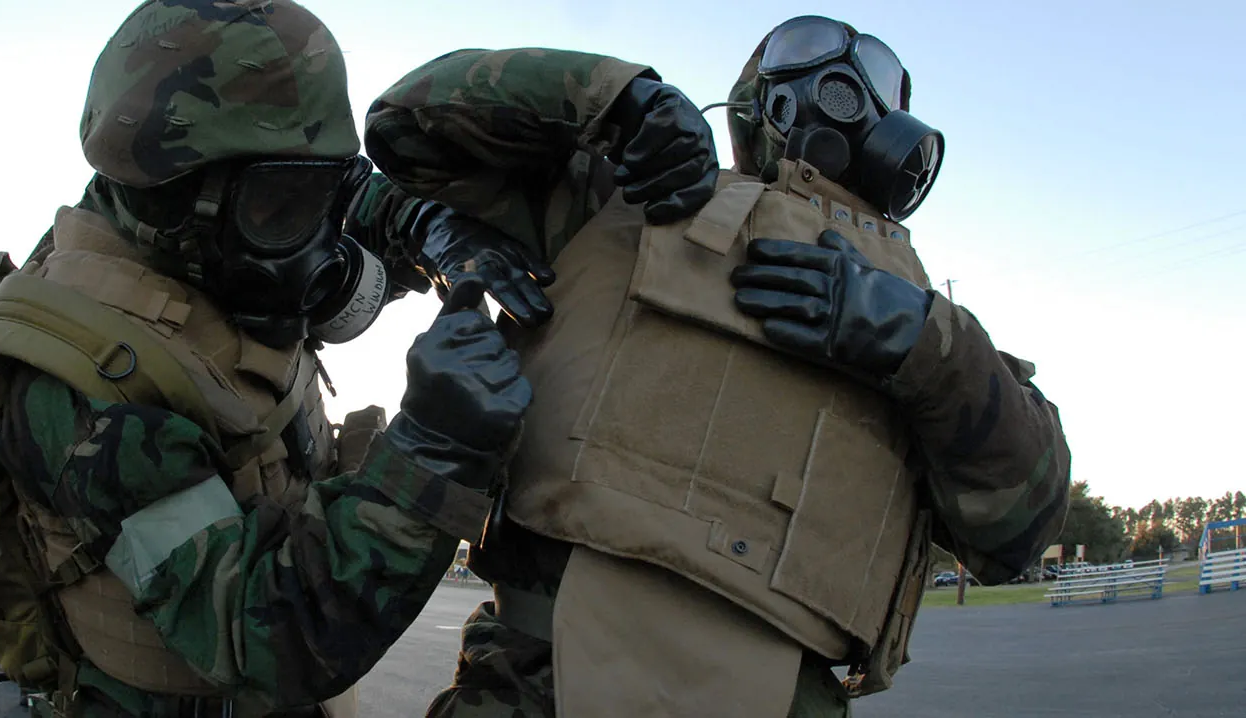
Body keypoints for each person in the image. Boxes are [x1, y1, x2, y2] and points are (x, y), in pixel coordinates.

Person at [363, 18, 1072, 718]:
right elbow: (405, 123)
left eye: (883, 80)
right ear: (754, 104)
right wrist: (617, 99)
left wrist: (927, 345)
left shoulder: (931, 322)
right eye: (810, 52)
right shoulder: (625, 200)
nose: (852, 92)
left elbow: (1018, 533)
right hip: (533, 677)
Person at [0, 1, 531, 716]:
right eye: (284, 208)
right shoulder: (76, 382)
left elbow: (316, 192)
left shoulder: (200, 236)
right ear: (173, 206)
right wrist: (434, 454)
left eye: (326, 191)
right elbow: (265, 635)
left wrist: (422, 223)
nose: (318, 246)